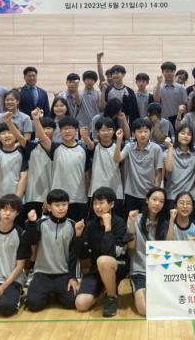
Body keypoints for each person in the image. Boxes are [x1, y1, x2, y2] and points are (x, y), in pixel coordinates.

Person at [74, 187, 131, 318]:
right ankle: (104, 287)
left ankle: (112, 297)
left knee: (103, 260)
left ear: (111, 204)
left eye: (101, 203)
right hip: (96, 269)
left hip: (118, 265)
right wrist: (78, 236)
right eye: (95, 203)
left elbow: (111, 253)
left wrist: (108, 227)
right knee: (81, 304)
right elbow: (83, 255)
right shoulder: (90, 225)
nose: (97, 207)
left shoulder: (119, 223)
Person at [25, 189, 81, 312]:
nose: (61, 208)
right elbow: (31, 240)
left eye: (64, 204)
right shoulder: (40, 224)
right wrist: (32, 223)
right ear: (49, 207)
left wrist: (73, 277)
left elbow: (75, 254)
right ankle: (48, 292)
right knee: (33, 304)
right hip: (42, 274)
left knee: (71, 302)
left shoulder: (73, 225)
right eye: (57, 205)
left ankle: (55, 292)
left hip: (64, 274)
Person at [2, 108, 55, 220]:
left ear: (54, 130)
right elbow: (19, 137)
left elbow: (43, 137)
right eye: (43, 128)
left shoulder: (54, 147)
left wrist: (36, 120)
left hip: (49, 197)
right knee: (31, 226)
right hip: (31, 196)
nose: (45, 131)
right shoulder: (31, 147)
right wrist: (8, 122)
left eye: (49, 128)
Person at [127, 187, 169, 316]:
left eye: (161, 201)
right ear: (147, 200)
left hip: (159, 271)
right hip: (139, 271)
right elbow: (131, 247)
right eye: (154, 199)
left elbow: (169, 248)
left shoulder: (165, 223)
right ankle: (135, 288)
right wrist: (132, 223)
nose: (157, 203)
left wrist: (172, 220)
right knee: (144, 310)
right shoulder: (135, 218)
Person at [114, 118, 164, 216]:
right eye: (139, 131)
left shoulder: (156, 149)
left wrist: (155, 193)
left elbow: (159, 174)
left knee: (147, 221)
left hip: (149, 194)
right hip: (131, 193)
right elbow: (117, 159)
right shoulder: (129, 147)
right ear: (134, 133)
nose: (143, 134)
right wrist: (119, 140)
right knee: (131, 221)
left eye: (146, 131)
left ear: (150, 132)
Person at [48, 117, 90, 222]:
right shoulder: (55, 148)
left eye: (70, 128)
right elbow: (42, 137)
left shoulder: (83, 150)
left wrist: (87, 195)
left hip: (79, 198)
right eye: (64, 129)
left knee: (78, 229)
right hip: (58, 198)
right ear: (60, 131)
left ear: (76, 131)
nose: (67, 131)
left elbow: (87, 174)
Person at [0, 124, 28, 225]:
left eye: (10, 132)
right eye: (3, 133)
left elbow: (23, 177)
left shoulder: (22, 153)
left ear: (16, 135)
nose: (7, 135)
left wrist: (17, 200)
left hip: (16, 201)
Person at [164, 126, 195, 213]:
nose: (186, 136)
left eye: (189, 134)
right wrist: (170, 148)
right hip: (172, 196)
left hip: (191, 197)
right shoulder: (168, 151)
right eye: (183, 133)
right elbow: (168, 169)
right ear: (177, 135)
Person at [153, 61, 188, 128]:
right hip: (163, 119)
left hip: (178, 119)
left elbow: (184, 105)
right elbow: (156, 100)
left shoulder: (181, 88)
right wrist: (159, 83)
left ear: (174, 72)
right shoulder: (158, 87)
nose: (169, 73)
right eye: (166, 71)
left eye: (171, 71)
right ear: (162, 72)